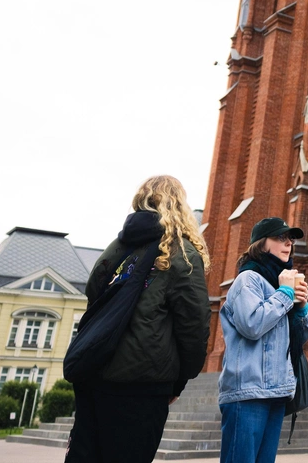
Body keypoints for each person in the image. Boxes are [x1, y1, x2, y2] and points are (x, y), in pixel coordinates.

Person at [66, 175, 212, 463]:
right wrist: (181, 380)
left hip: (95, 367)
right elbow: (194, 325)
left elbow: (94, 291)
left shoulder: (121, 245)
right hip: (142, 382)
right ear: (179, 205)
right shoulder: (181, 253)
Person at [218, 217, 308, 463]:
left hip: (277, 391)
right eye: (280, 238)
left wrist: (301, 309)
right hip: (247, 392)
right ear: (261, 244)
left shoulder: (282, 283)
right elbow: (252, 324)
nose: (288, 243)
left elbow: (301, 340)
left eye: (290, 239)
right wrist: (285, 294)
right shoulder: (248, 279)